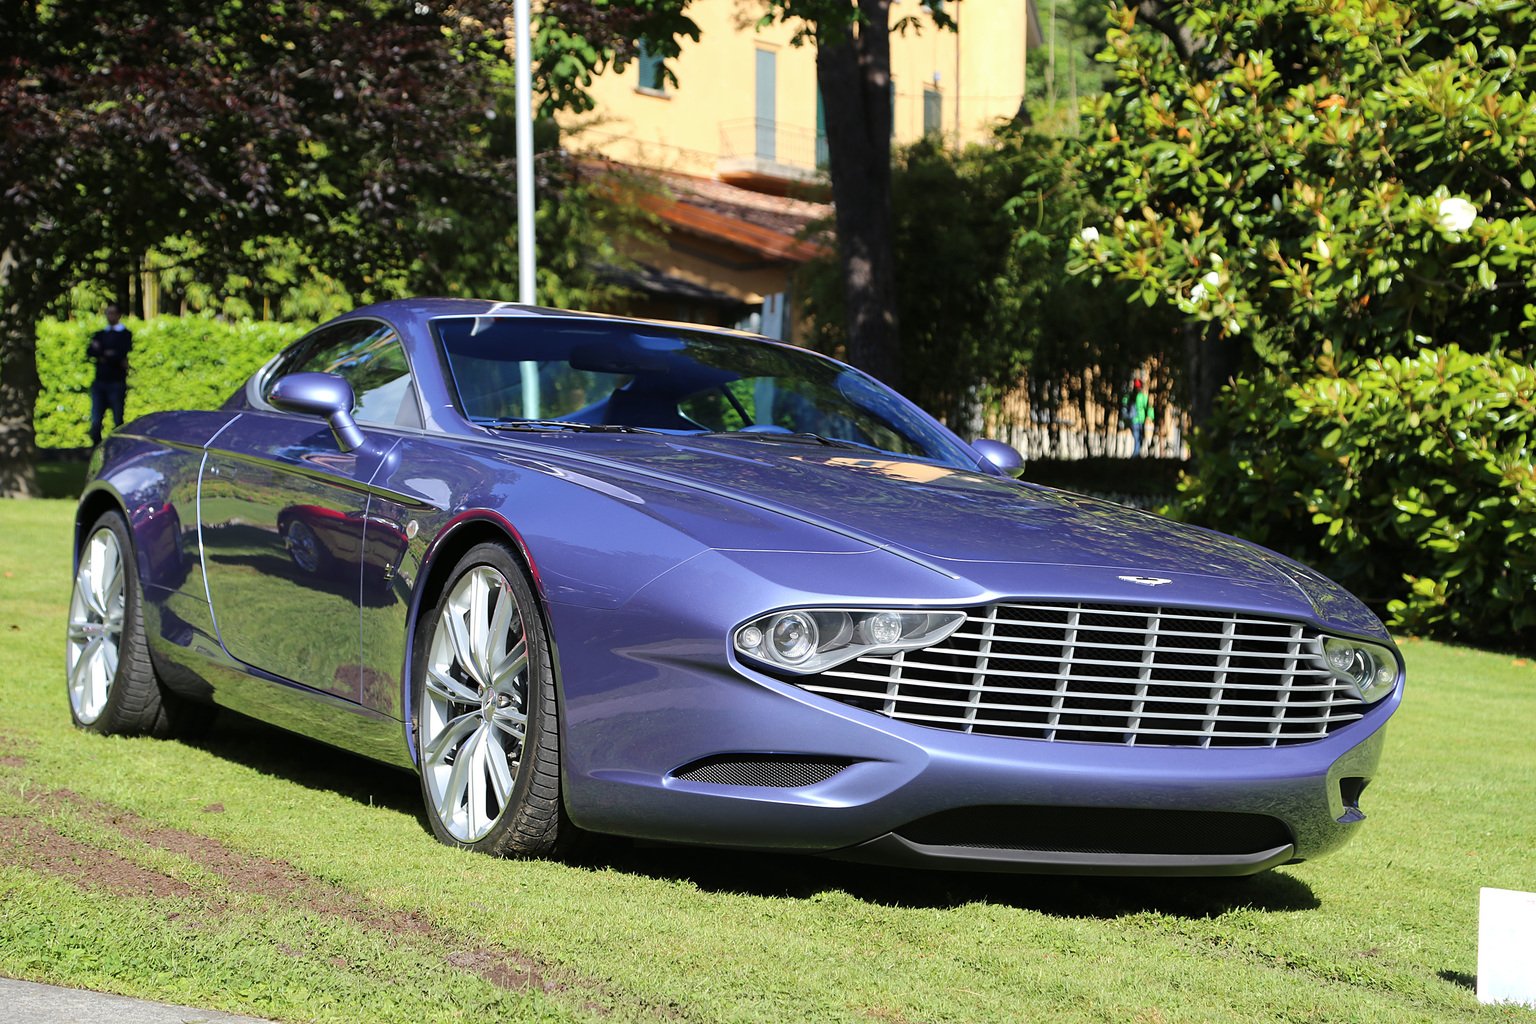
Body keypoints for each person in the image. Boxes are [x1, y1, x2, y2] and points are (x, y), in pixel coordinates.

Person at [86, 303, 133, 446]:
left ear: (119, 315)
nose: (109, 315)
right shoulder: (100, 334)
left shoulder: (125, 334)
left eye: (112, 312)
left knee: (118, 420)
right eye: (107, 312)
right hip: (100, 383)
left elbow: (119, 354)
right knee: (96, 421)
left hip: (116, 383)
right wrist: (107, 353)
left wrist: (103, 353)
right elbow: (91, 351)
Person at [1122, 377, 1152, 457]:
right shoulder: (1140, 397)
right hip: (1136, 421)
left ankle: (1136, 455)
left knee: (1139, 439)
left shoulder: (1132, 397)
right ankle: (1135, 456)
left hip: (1138, 421)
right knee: (1138, 439)